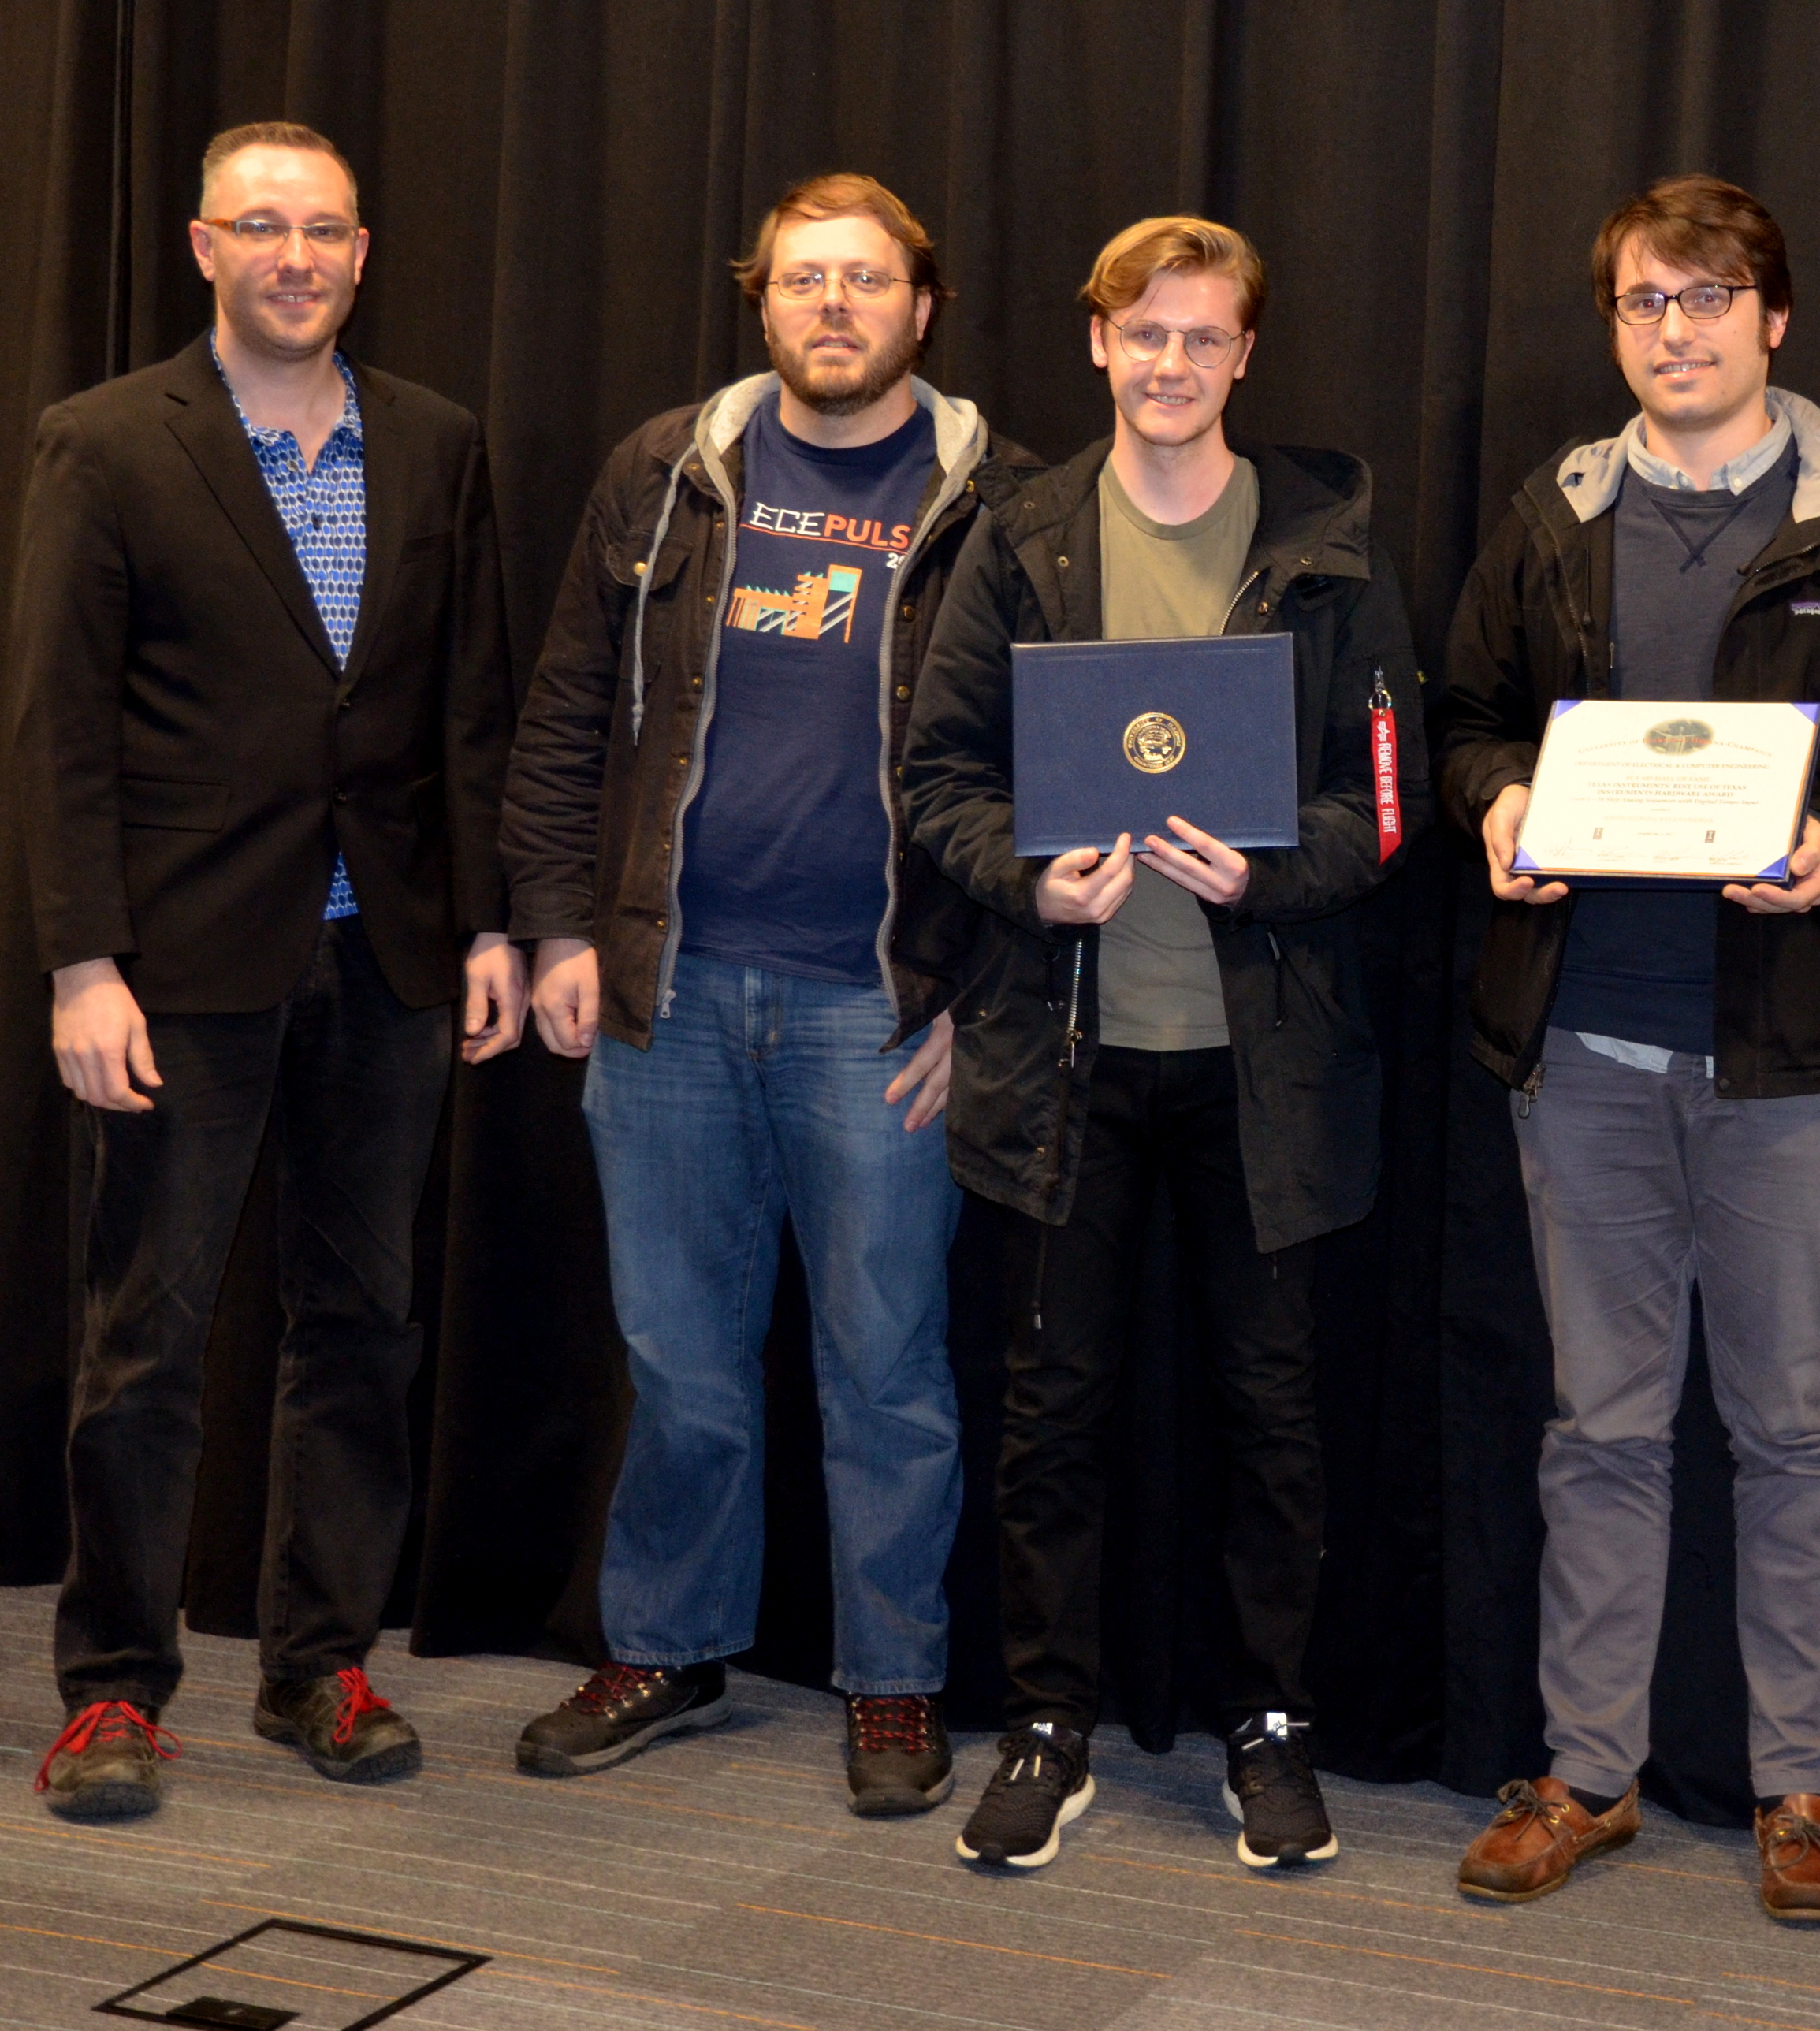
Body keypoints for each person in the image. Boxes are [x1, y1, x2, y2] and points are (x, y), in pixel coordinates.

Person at [1436, 174, 1820, 1916]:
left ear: (1776, 317)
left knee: (1794, 1428)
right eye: (1642, 303)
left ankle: (1802, 1788)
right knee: (1598, 1423)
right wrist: (1502, 798)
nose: (1674, 332)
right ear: (1612, 323)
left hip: (1799, 1062)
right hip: (1589, 1045)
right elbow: (1465, 715)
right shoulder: (1554, 513)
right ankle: (1589, 1771)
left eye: (1707, 299)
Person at [497, 174, 1037, 1814]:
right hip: (669, 987)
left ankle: (892, 1678)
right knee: (679, 1353)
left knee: (888, 1367)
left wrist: (980, 995)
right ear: (764, 299)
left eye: (865, 280)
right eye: (804, 279)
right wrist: (555, 927)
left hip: (877, 1006)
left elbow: (1039, 771)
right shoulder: (668, 470)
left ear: (919, 308)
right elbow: (567, 715)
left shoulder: (1000, 497)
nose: (833, 306)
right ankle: (666, 1640)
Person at [10, 122, 524, 1819]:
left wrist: (493, 926)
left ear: (363, 253)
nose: (293, 255)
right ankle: (111, 1688)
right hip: (183, 962)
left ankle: (321, 1662)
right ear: (201, 244)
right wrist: (85, 963)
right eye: (260, 226)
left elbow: (470, 712)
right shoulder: (102, 442)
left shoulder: (438, 440)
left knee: (360, 1322)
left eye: (323, 229)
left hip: (384, 953)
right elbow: (58, 727)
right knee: (146, 1333)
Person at [902, 214, 1427, 1873]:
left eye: (1203, 338)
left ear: (1245, 354)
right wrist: (1024, 878)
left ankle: (1267, 1725)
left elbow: (1390, 805)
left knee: (1272, 1417)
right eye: (1145, 337)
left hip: (1263, 1072)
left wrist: (1271, 875)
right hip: (1062, 1055)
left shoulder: (1332, 545)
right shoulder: (1023, 534)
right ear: (1098, 344)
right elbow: (940, 778)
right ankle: (1047, 1721)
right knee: (1051, 1406)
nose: (1172, 365)